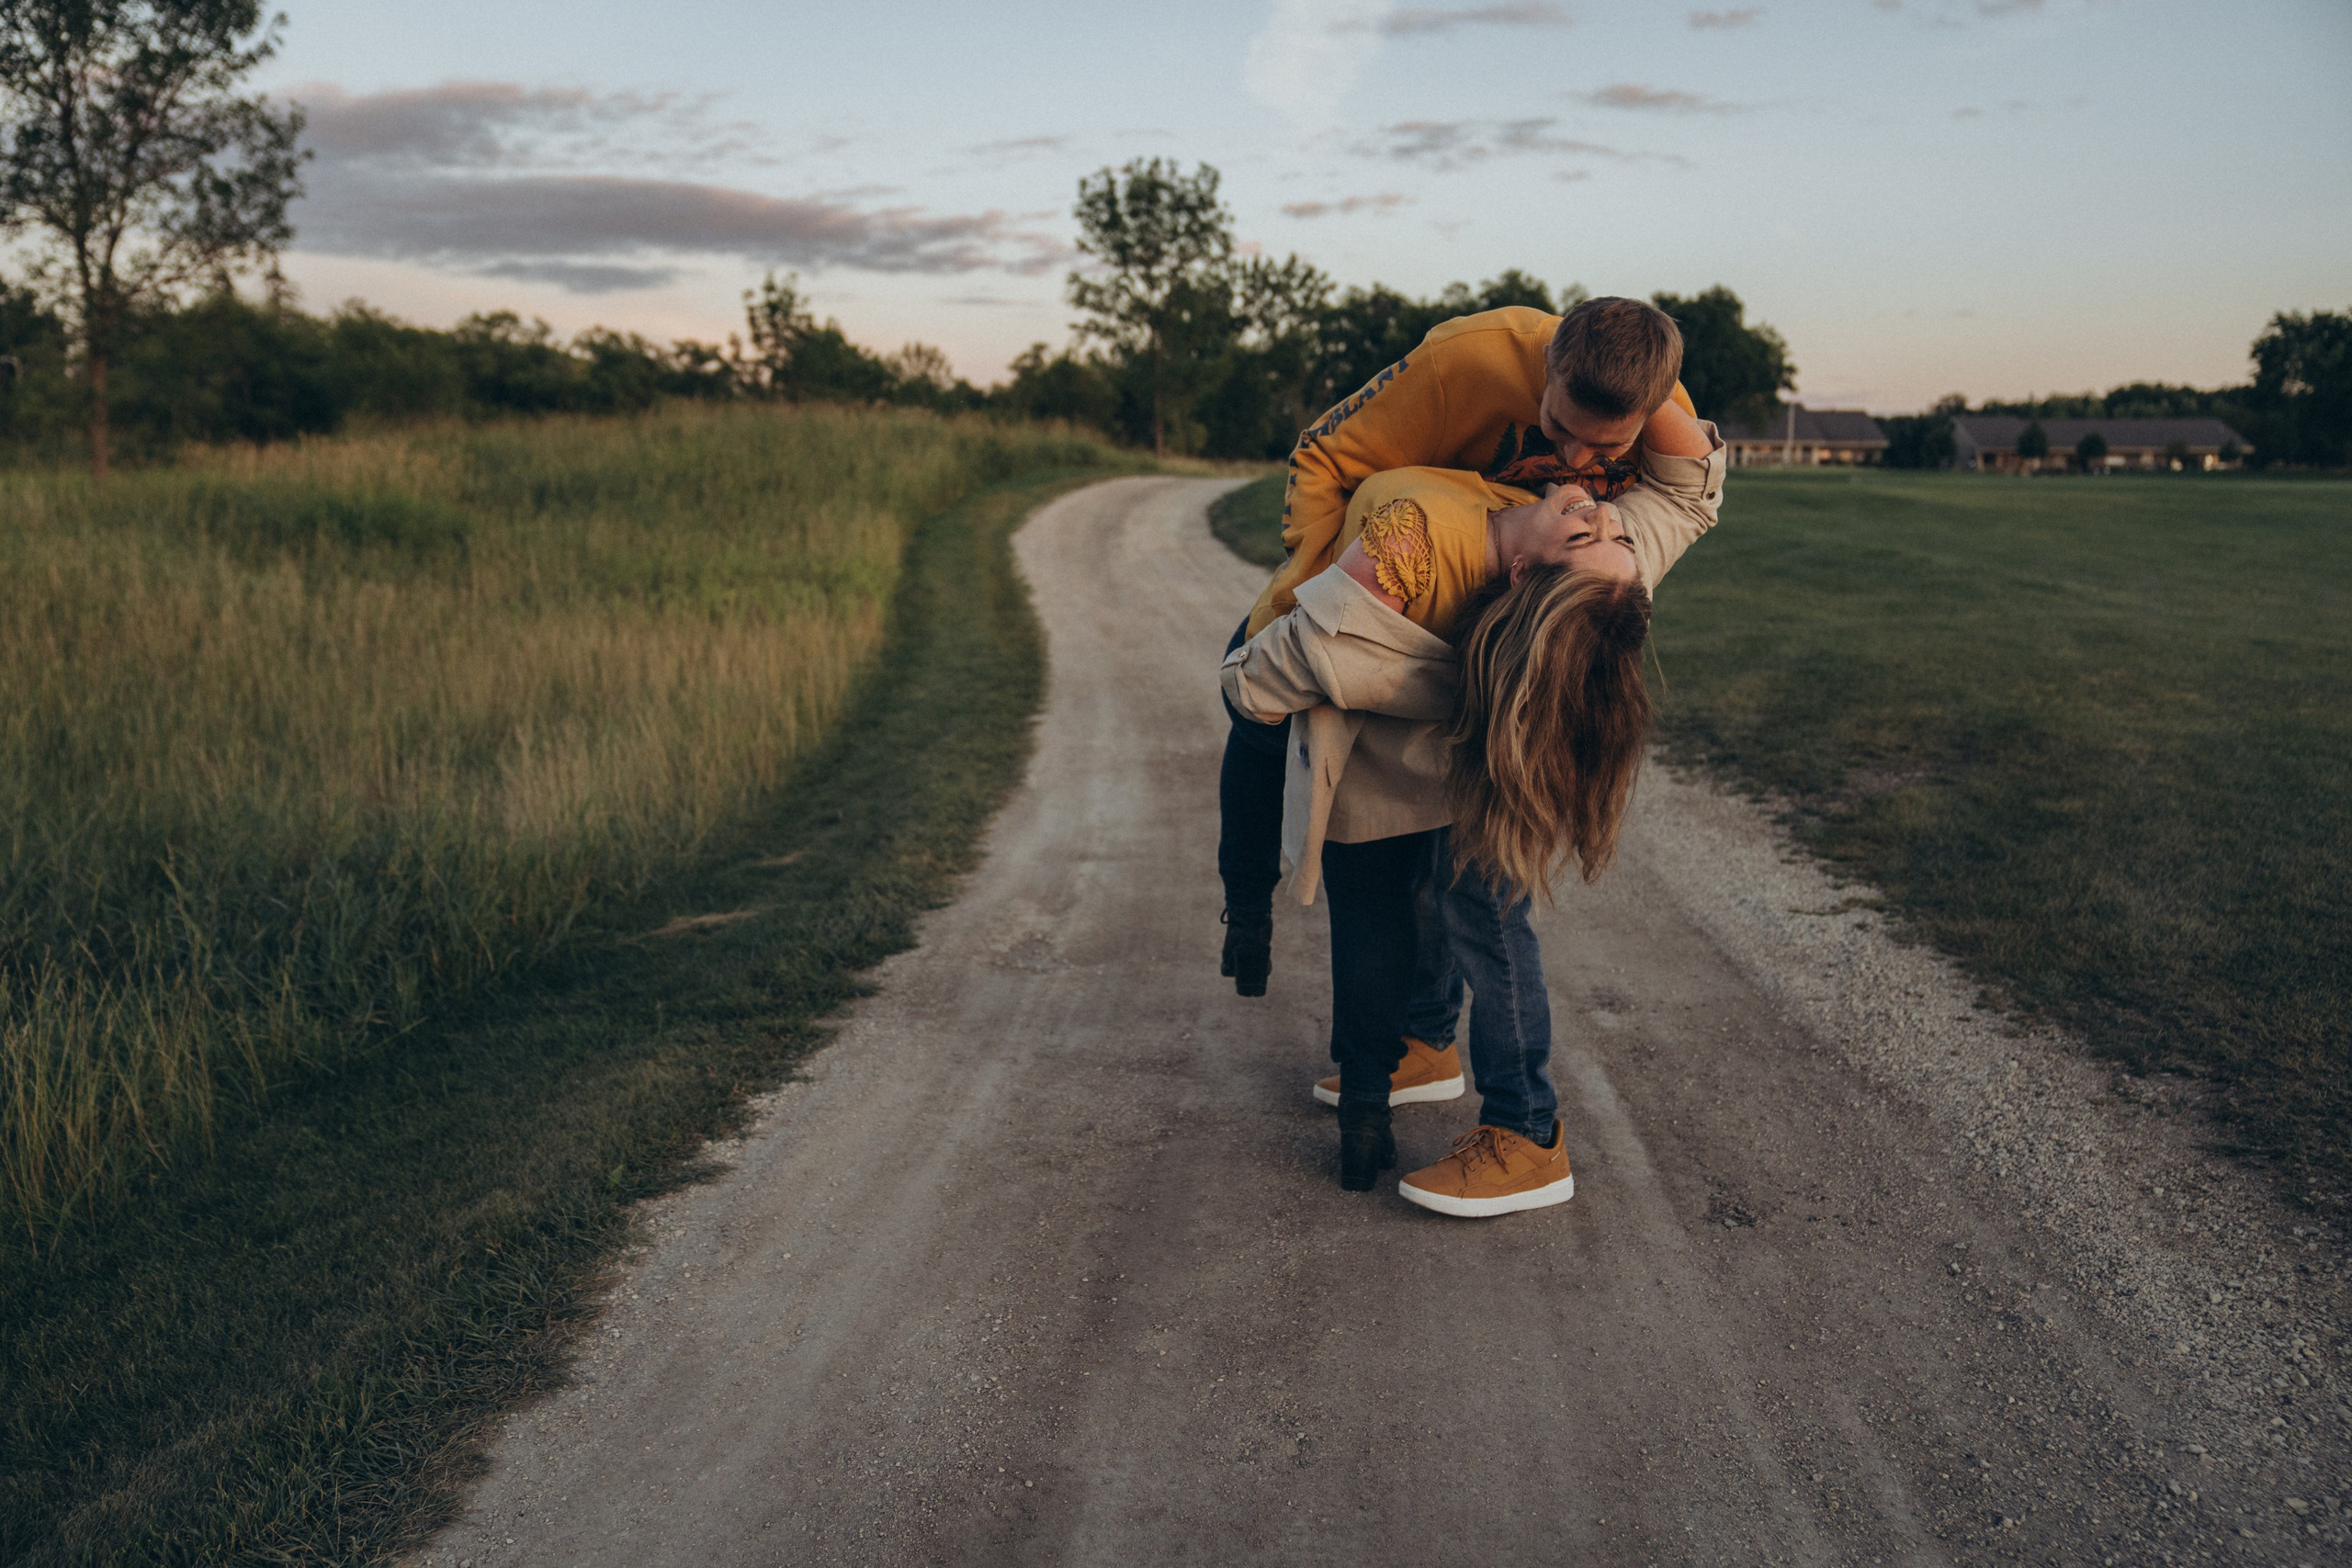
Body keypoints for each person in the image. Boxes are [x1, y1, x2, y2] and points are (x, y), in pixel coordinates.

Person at [1219, 386, 1727, 1213]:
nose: (1605, 513)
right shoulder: (1601, 559)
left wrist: (1331, 602)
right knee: (1434, 876)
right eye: (1609, 531)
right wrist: (1632, 383)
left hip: (1513, 740)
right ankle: (1426, 1037)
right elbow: (1694, 487)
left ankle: (1528, 1131)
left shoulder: (1495, 572)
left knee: (1485, 908)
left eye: (1594, 533)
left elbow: (1268, 674)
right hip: (1491, 720)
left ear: (1528, 579)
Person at [1218, 296, 1716, 999]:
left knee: (1451, 848)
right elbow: (1323, 455)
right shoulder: (1468, 357)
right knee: (1259, 698)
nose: (1575, 459)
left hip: (1503, 626)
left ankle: (1425, 1039)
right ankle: (1246, 901)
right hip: (1401, 576)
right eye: (1558, 428)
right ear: (1547, 365)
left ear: (1653, 411)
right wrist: (1310, 587)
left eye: (1606, 451)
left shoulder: (1663, 411)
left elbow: (1690, 488)